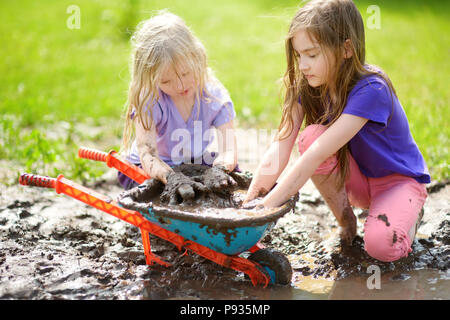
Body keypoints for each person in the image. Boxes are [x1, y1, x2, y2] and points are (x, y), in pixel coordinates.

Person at [244, 0, 430, 263]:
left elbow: (316, 157)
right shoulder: (307, 86)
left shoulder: (371, 89)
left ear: (346, 49)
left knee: (381, 247)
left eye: (312, 54)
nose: (304, 65)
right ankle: (347, 222)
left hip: (397, 182)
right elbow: (280, 145)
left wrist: (266, 206)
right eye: (299, 56)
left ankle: (408, 217)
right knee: (310, 136)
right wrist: (250, 202)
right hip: (358, 180)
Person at [118, 10, 238, 193]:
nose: (180, 85)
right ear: (150, 78)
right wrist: (172, 179)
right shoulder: (150, 99)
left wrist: (220, 170)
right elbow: (147, 153)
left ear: (197, 57)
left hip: (194, 161)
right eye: (166, 81)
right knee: (158, 192)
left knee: (230, 180)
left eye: (185, 73)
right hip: (153, 166)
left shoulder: (213, 96)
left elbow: (229, 149)